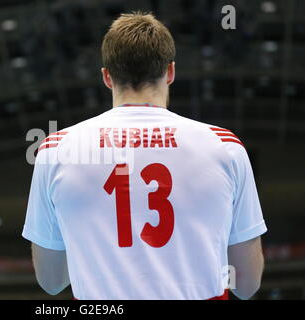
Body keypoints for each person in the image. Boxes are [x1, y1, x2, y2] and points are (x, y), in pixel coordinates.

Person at [22, 12, 267, 300]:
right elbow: (247, 283)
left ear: (107, 77)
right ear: (171, 72)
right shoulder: (224, 146)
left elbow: (51, 281)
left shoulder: (56, 150)